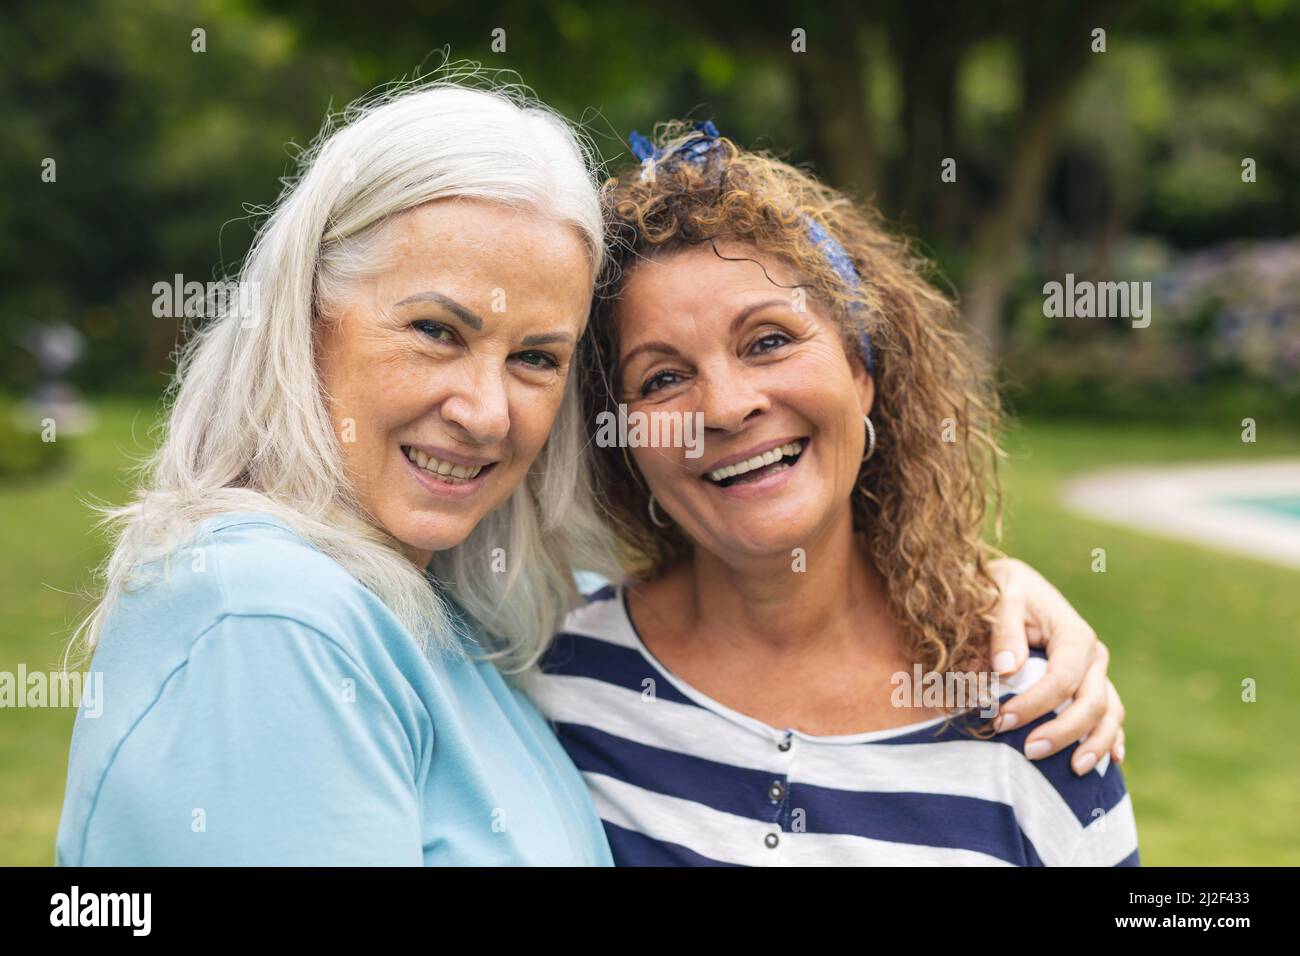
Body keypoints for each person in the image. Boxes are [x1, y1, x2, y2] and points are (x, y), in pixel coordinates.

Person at [57, 81, 1125, 866]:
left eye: (535, 357)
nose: (483, 409)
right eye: (435, 329)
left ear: (867, 368)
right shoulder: (278, 618)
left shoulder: (493, 623)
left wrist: (977, 585)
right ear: (304, 321)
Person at [529, 122, 1138, 866]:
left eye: (768, 341)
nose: (724, 406)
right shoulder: (558, 683)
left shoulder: (1037, 714)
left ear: (861, 373)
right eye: (662, 378)